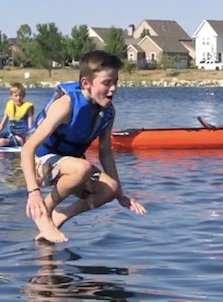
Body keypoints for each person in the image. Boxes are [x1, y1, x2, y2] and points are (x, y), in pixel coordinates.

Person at [21, 50, 146, 243]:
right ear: (86, 84)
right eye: (106, 83)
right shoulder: (66, 105)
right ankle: (44, 211)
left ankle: (59, 216)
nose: (113, 89)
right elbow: (27, 149)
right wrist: (33, 193)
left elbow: (105, 153)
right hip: (39, 162)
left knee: (110, 188)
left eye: (115, 82)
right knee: (83, 167)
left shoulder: (108, 112)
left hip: (69, 166)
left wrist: (120, 195)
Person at [0, 82, 35, 147]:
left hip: (21, 138)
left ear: (24, 96)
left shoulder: (28, 107)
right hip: (9, 134)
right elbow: (2, 125)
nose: (18, 98)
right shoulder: (9, 106)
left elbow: (31, 127)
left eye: (20, 95)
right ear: (11, 96)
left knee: (0, 142)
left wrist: (30, 143)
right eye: (16, 96)